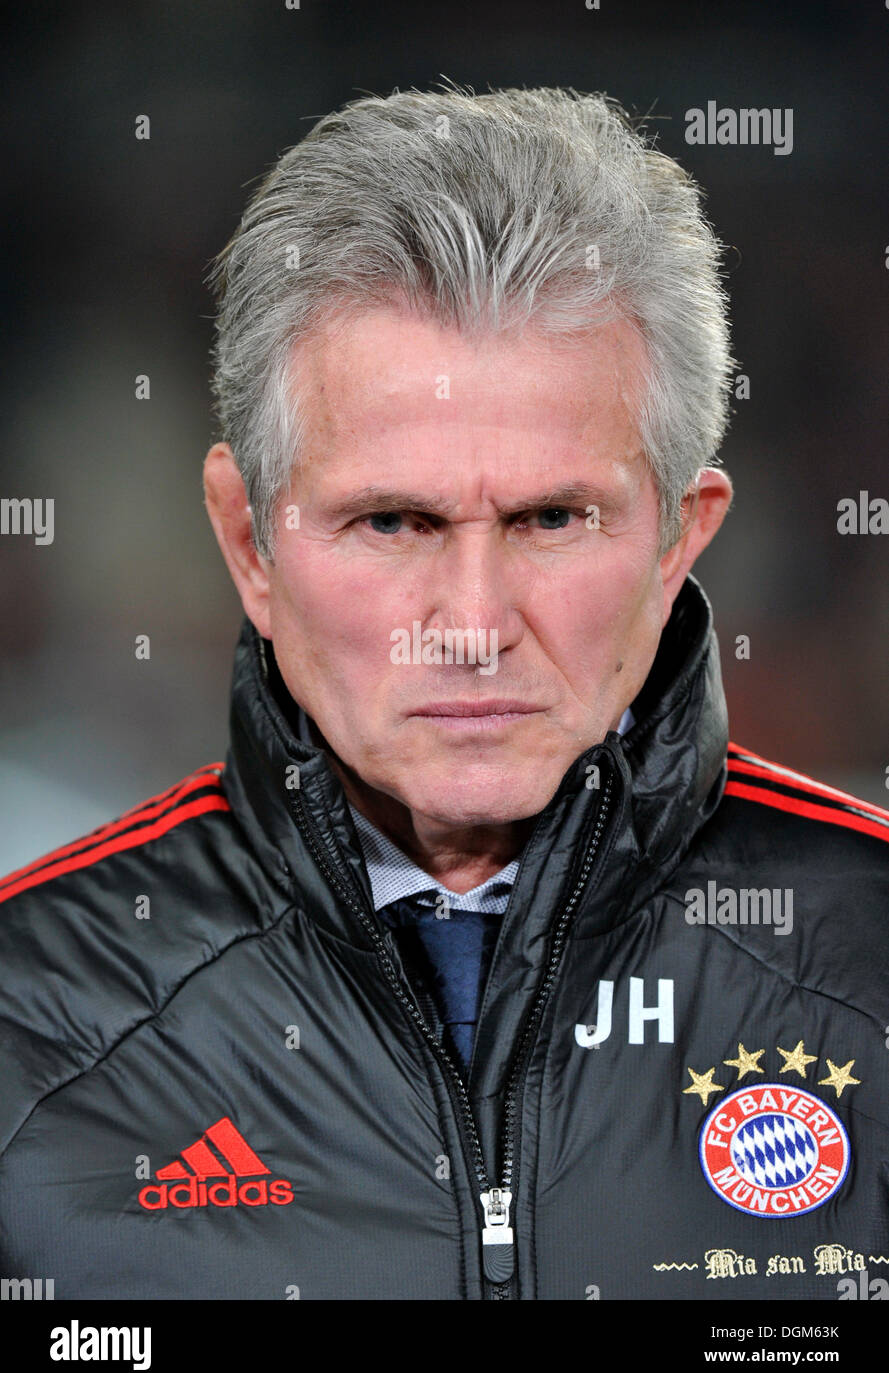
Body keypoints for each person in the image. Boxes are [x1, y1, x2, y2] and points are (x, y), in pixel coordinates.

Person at [1, 86, 886, 1302]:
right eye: (392, 521)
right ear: (246, 542)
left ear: (683, 536)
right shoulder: (22, 1018)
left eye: (552, 518)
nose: (471, 627)